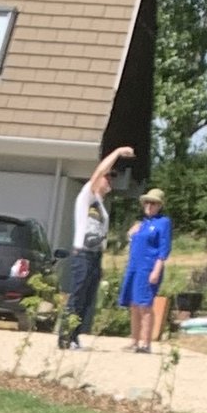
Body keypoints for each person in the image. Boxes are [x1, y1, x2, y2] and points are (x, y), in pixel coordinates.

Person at [60, 144, 131, 342]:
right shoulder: (87, 196)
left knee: (87, 298)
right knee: (77, 295)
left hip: (94, 255)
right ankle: (65, 337)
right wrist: (117, 152)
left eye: (111, 178)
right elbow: (99, 170)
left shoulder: (100, 204)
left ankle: (75, 336)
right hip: (82, 254)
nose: (110, 180)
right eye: (107, 177)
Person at [120, 188, 173, 349]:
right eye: (147, 202)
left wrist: (156, 270)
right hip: (134, 266)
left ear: (160, 206)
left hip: (148, 267)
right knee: (134, 304)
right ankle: (134, 340)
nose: (149, 206)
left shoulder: (163, 222)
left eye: (153, 203)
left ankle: (146, 343)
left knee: (145, 304)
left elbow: (164, 249)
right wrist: (130, 234)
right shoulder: (142, 224)